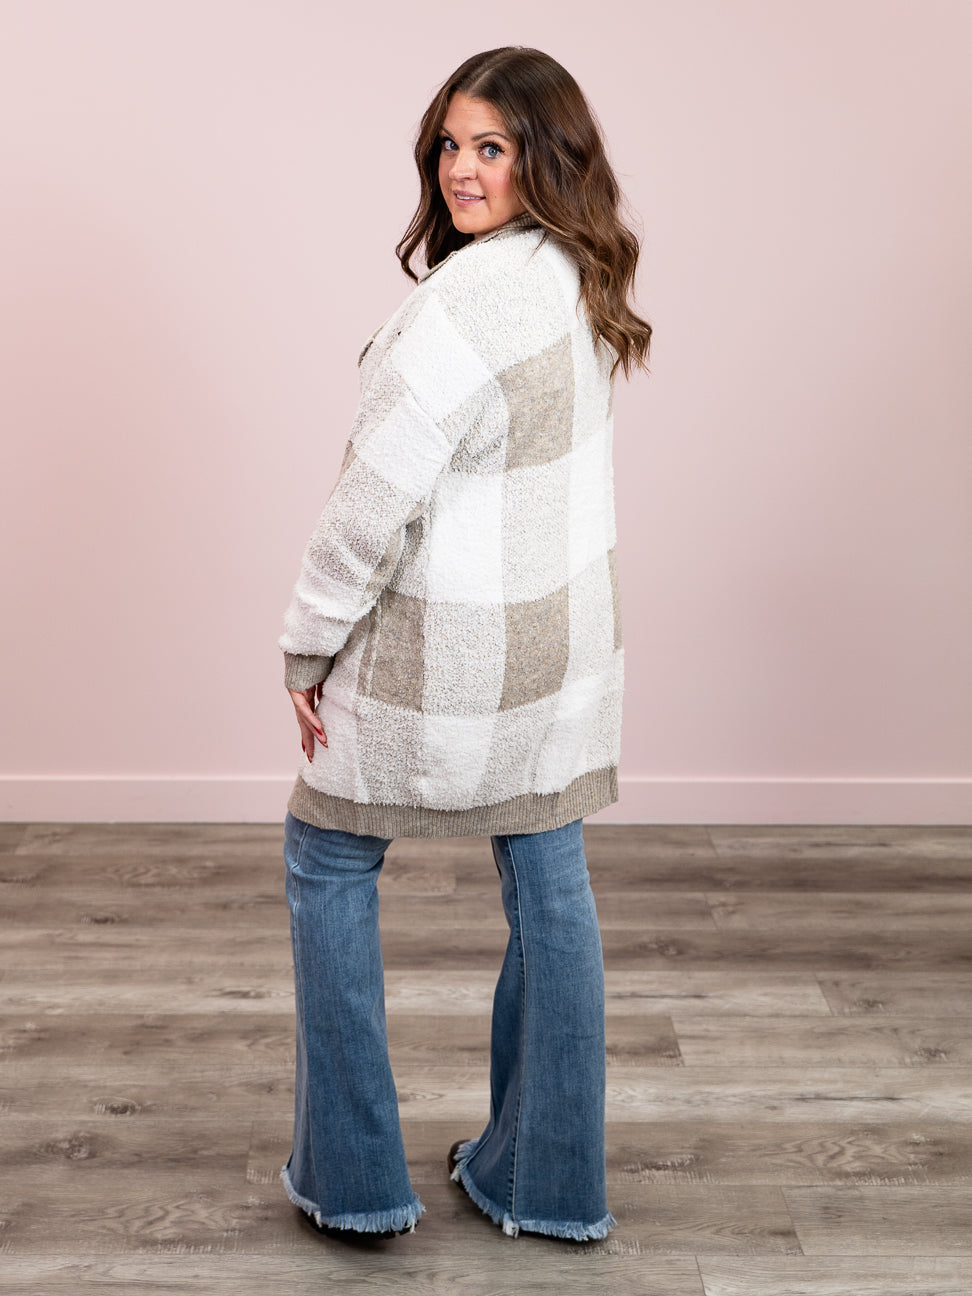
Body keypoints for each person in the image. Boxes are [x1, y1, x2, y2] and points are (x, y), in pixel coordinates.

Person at [278, 46, 651, 1242]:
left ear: (546, 155)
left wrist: (307, 648)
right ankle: (544, 1182)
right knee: (549, 879)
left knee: (327, 857)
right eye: (450, 144)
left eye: (491, 146)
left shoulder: (457, 307)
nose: (460, 170)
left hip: (444, 662)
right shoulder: (579, 279)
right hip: (561, 650)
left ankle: (355, 1183)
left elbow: (367, 510)